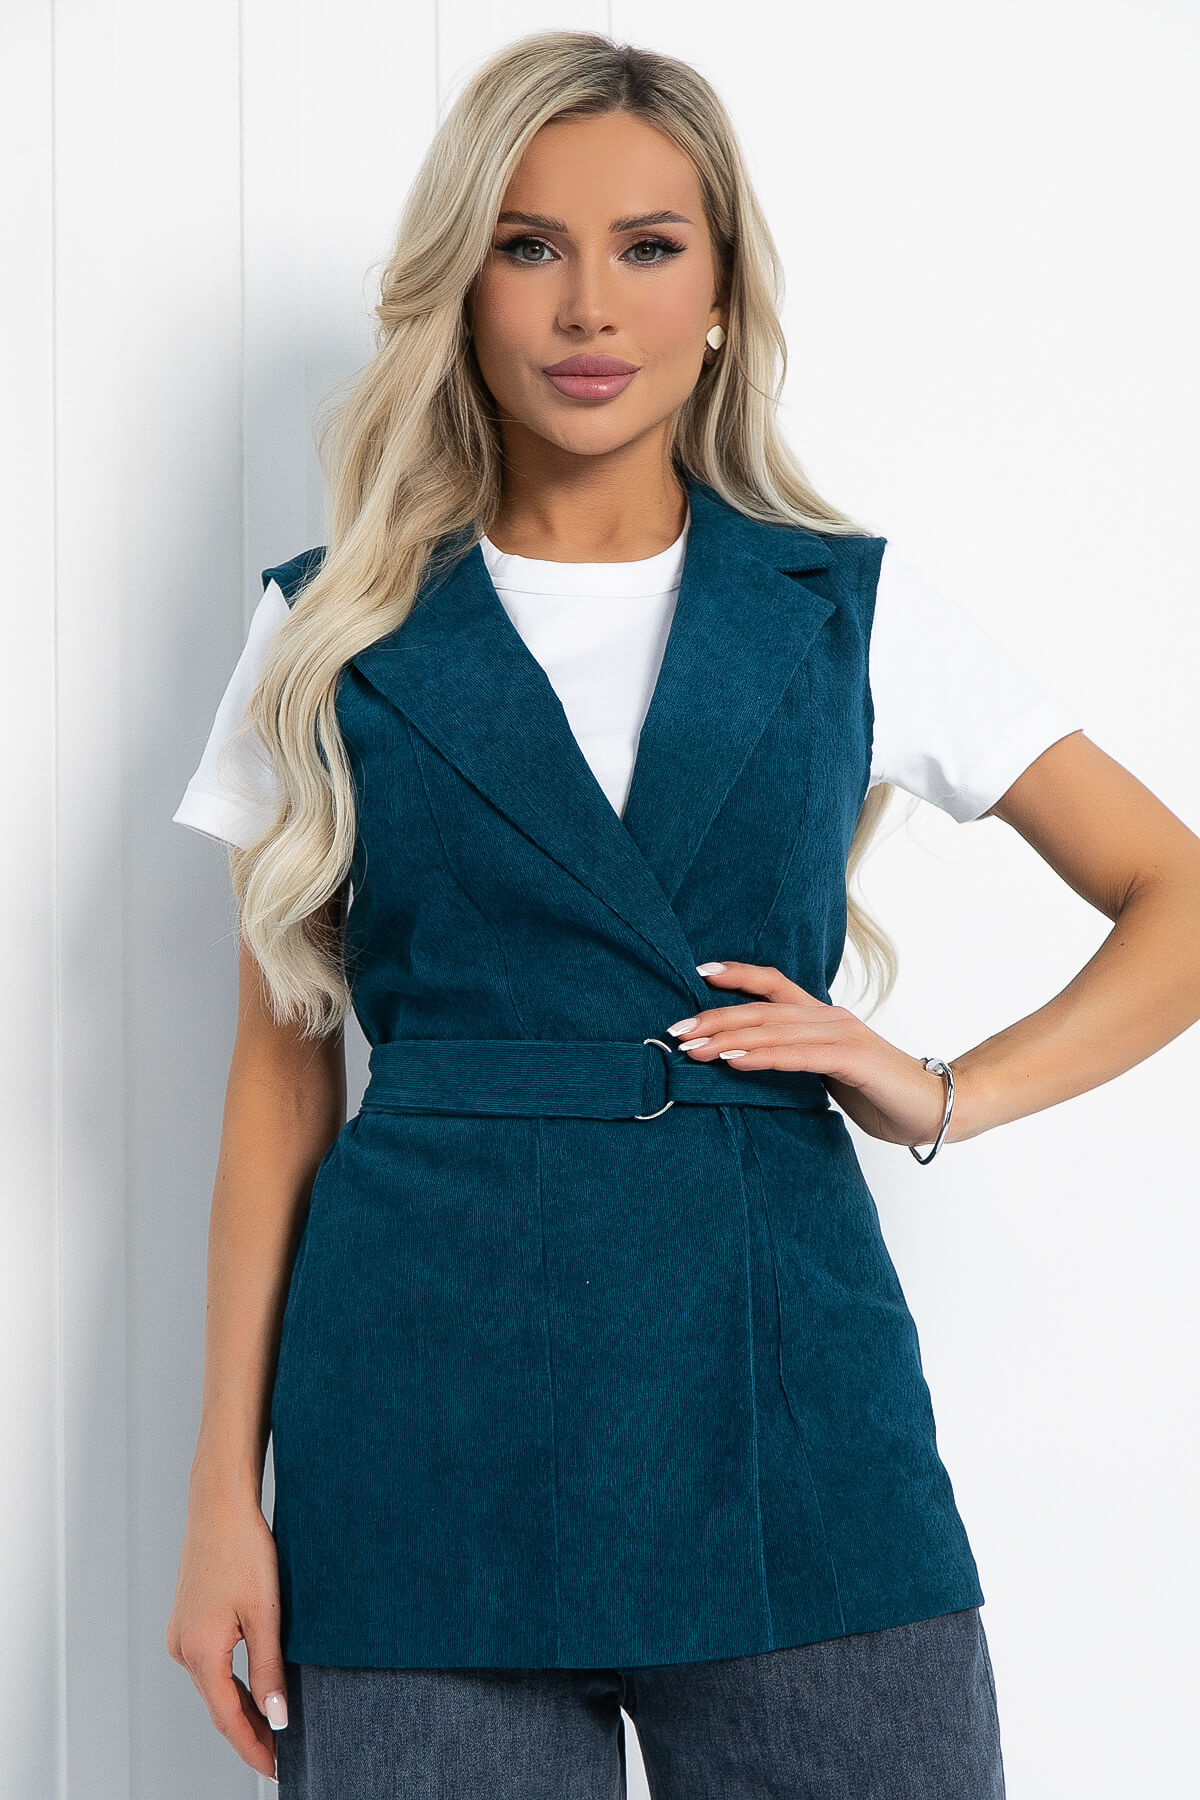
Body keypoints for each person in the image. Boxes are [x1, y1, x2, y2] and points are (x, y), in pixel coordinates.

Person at [165, 29, 1200, 1799]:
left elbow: (1173, 895)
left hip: (790, 1405)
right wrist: (220, 1500)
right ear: (463, 287)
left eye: (648, 246)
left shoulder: (842, 607)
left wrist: (945, 1091)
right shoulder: (331, 629)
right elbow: (279, 1078)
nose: (589, 305)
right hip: (418, 1420)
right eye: (529, 245)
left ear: (721, 295)